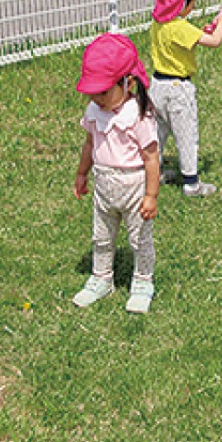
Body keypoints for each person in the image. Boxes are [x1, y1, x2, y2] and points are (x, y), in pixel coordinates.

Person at [72, 33, 161, 314]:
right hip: (104, 184)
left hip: (133, 185)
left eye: (103, 92)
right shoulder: (95, 111)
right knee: (101, 235)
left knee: (139, 238)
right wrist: (82, 173)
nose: (96, 99)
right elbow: (90, 143)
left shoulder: (138, 115)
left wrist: (151, 194)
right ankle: (102, 278)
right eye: (92, 93)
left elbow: (151, 157)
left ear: (128, 83)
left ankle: (143, 281)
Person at [149, 0, 222, 197]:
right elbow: (215, 42)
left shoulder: (159, 23)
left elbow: (187, 39)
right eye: (192, 2)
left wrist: (202, 31)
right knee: (186, 135)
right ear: (182, 1)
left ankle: (155, 172)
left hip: (156, 87)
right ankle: (192, 184)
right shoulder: (180, 28)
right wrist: (221, 23)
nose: (193, 8)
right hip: (177, 90)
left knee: (157, 134)